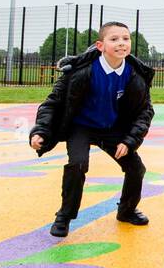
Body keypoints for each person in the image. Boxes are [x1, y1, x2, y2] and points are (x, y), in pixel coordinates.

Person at [29, 21, 154, 236]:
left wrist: (129, 140)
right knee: (77, 164)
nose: (121, 43)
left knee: (136, 167)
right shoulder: (79, 71)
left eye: (125, 39)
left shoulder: (135, 75)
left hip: (112, 128)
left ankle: (126, 210)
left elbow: (145, 112)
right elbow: (54, 102)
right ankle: (64, 216)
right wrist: (41, 130)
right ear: (100, 45)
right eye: (114, 39)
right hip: (81, 127)